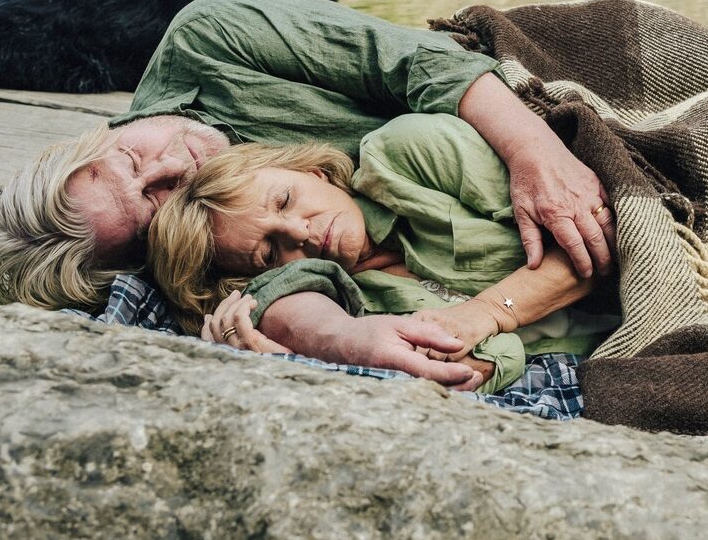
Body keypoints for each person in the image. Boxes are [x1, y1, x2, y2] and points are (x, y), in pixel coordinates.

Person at [0, 0, 615, 387]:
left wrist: (538, 153)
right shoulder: (225, 251)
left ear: (98, 136)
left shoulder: (209, 38)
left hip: (492, 122)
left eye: (129, 158)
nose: (170, 166)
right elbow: (270, 292)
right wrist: (245, 338)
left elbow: (421, 62)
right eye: (153, 209)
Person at [145, 117, 619, 394]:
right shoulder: (360, 310)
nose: (301, 233)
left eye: (285, 201)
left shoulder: (407, 152)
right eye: (270, 251)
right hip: (616, 344)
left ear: (312, 172)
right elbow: (481, 367)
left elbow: (593, 226)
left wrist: (488, 312)